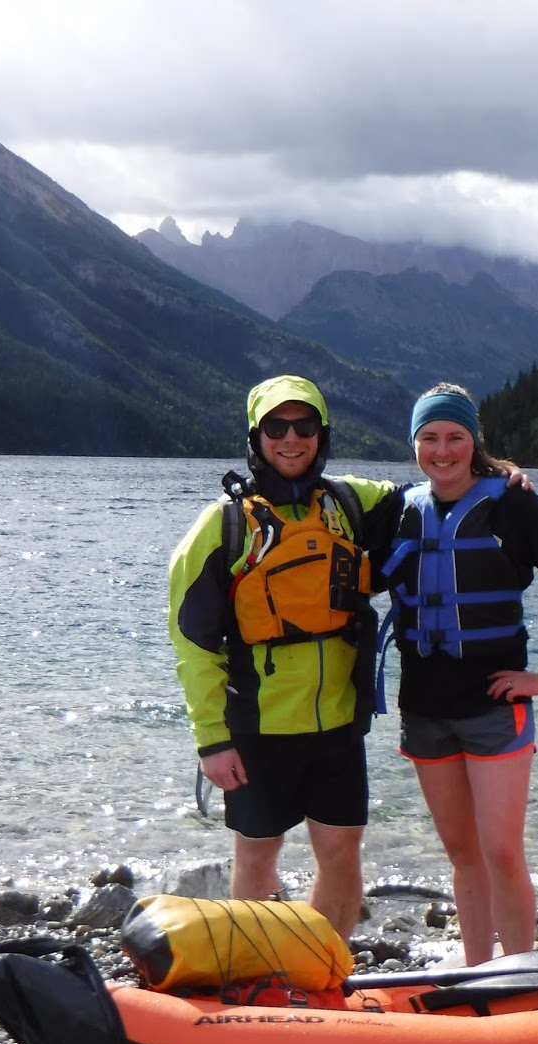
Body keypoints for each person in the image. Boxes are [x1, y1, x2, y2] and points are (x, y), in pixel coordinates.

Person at [167, 375, 401, 939]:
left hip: (339, 723)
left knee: (342, 851)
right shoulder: (221, 526)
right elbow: (193, 644)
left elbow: (427, 494)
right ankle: (256, 979)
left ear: (323, 435)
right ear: (256, 436)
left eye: (305, 427)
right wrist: (211, 740)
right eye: (276, 427)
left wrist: (495, 474)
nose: (291, 439)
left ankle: (326, 971)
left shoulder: (351, 503)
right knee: (256, 857)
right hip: (259, 727)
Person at [380, 383, 538, 965]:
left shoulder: (513, 503)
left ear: (473, 442)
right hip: (424, 711)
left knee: (502, 851)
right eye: (429, 437)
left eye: (455, 437)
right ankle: (478, 974)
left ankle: (523, 977)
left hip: (492, 709)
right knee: (462, 854)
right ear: (415, 445)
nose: (443, 450)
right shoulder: (401, 509)